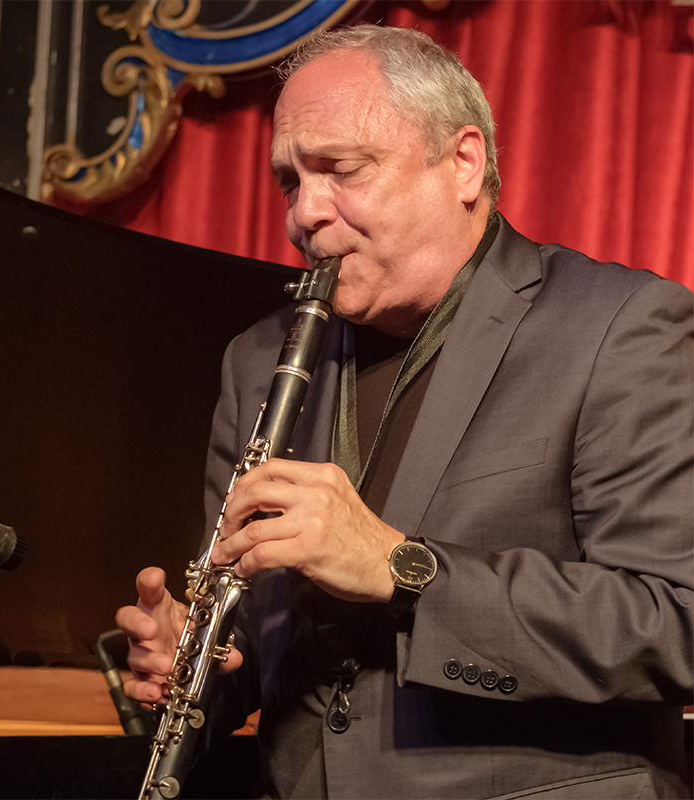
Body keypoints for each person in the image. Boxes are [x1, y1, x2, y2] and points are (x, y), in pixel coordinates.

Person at [117, 25, 693, 799]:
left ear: (463, 162)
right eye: (290, 181)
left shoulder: (621, 327)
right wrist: (197, 665)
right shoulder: (259, 360)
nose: (304, 214)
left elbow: (673, 623)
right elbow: (269, 651)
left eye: (341, 170)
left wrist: (400, 567)